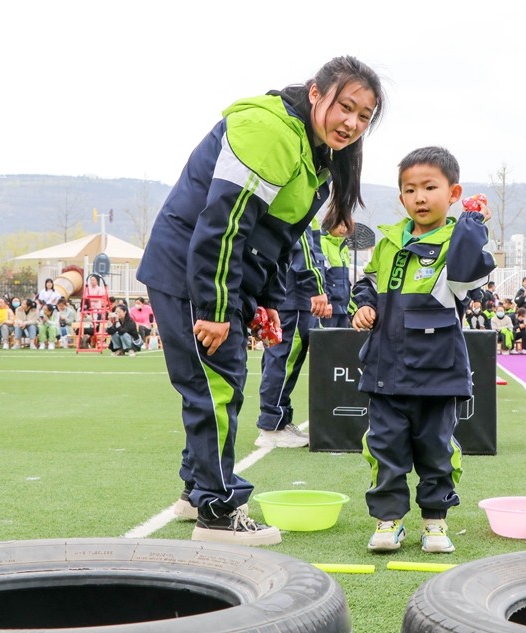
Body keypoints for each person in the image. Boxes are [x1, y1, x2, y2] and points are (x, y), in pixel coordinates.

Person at [135, 56, 384, 545]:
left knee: (217, 385)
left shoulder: (315, 151)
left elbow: (278, 235)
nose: (352, 123)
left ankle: (196, 492)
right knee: (216, 388)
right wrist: (215, 309)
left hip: (219, 275)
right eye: (346, 107)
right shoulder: (269, 130)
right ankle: (217, 511)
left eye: (364, 116)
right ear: (315, 93)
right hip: (190, 271)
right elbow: (223, 223)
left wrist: (267, 299)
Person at [349, 145, 494, 553]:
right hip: (385, 371)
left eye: (430, 187)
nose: (420, 197)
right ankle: (388, 520)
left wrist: (472, 223)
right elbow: (368, 283)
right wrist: (364, 306)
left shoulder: (458, 242)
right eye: (410, 190)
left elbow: (466, 275)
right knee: (384, 448)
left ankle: (435, 522)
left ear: (453, 193)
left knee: (437, 452)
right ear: (401, 198)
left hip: (437, 375)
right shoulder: (388, 242)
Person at [253, 224, 330, 448]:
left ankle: (279, 420)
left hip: (291, 296)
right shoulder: (301, 207)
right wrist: (316, 287)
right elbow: (303, 249)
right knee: (283, 359)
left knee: (282, 359)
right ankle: (272, 425)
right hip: (294, 298)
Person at [319, 220, 352, 328]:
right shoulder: (323, 242)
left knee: (343, 338)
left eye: (346, 226)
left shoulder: (344, 247)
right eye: (341, 225)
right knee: (327, 337)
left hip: (344, 308)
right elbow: (321, 275)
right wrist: (327, 302)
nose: (344, 229)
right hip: (329, 307)